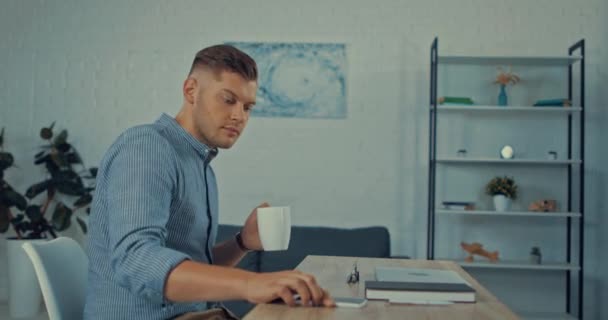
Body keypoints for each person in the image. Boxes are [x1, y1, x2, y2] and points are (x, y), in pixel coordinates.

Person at [84, 45, 335, 320]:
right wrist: (251, 283)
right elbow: (136, 260)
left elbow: (193, 267)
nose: (239, 116)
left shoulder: (201, 166)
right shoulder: (147, 148)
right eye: (228, 100)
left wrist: (242, 243)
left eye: (248, 107)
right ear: (191, 90)